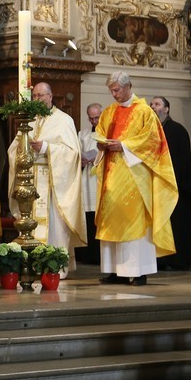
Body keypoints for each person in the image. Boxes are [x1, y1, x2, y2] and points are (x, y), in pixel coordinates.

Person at [94, 71, 177, 286]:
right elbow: (100, 133)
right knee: (110, 221)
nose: (114, 94)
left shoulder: (144, 112)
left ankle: (138, 271)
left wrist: (124, 145)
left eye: (117, 90)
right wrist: (101, 144)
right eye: (111, 90)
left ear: (128, 85)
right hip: (111, 173)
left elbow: (153, 141)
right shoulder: (109, 112)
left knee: (134, 221)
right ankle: (113, 270)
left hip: (134, 176)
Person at [7, 82, 87, 276]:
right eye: (34, 95)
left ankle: (54, 267)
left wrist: (45, 148)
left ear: (51, 97)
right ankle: (33, 265)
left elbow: (72, 153)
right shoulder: (29, 120)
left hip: (54, 183)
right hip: (31, 180)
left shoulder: (64, 120)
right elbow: (12, 149)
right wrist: (23, 151)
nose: (38, 99)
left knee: (55, 226)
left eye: (42, 95)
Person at [149, 96, 191, 270]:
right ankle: (160, 259)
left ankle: (178, 261)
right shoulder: (150, 130)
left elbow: (182, 161)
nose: (153, 107)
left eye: (157, 104)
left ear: (167, 109)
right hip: (156, 185)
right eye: (151, 104)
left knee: (177, 225)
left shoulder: (177, 130)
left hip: (176, 186)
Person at [77, 102, 102, 265]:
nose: (94, 121)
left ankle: (98, 255)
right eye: (91, 118)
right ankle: (86, 255)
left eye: (97, 118)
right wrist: (81, 161)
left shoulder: (107, 133)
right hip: (86, 180)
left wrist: (97, 158)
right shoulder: (83, 134)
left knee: (98, 218)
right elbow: (77, 153)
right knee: (87, 217)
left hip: (99, 179)